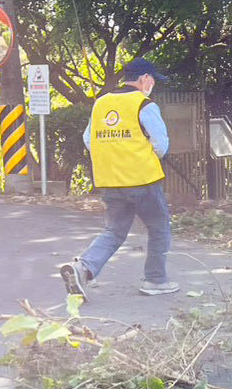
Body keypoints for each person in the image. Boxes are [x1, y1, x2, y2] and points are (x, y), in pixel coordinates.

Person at [59, 57, 178, 298]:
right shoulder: (145, 105)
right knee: (159, 228)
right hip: (142, 180)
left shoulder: (101, 104)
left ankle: (83, 268)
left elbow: (88, 139)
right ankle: (155, 280)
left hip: (110, 182)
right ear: (144, 79)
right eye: (152, 80)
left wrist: (113, 154)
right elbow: (161, 144)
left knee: (114, 231)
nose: (152, 84)